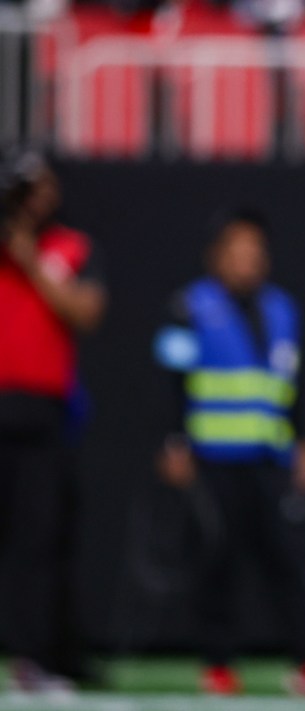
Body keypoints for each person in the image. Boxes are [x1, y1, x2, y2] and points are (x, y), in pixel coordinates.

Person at [153, 208, 305, 696]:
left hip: (271, 461)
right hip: (212, 461)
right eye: (237, 251)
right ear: (215, 257)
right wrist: (173, 442)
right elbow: (169, 383)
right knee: (216, 563)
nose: (247, 260)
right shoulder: (187, 307)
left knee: (291, 562)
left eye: (256, 251)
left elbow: (299, 386)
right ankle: (217, 665)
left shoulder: (283, 309)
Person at [0, 148, 107, 693]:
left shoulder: (69, 246)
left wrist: (27, 257)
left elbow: (86, 311)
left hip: (41, 413)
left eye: (40, 187)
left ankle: (37, 657)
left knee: (38, 540)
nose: (33, 199)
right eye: (22, 189)